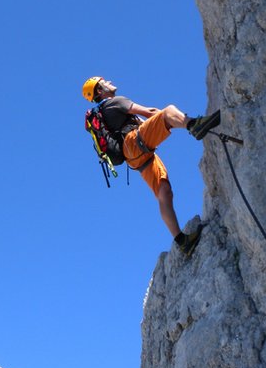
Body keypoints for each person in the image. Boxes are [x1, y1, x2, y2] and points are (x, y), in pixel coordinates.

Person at [81, 76, 219, 255]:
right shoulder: (115, 102)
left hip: (134, 156)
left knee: (164, 192)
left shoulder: (105, 112)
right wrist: (173, 119)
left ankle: (182, 241)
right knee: (169, 110)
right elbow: (149, 112)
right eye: (104, 81)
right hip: (133, 143)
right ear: (100, 91)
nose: (109, 81)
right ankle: (194, 125)